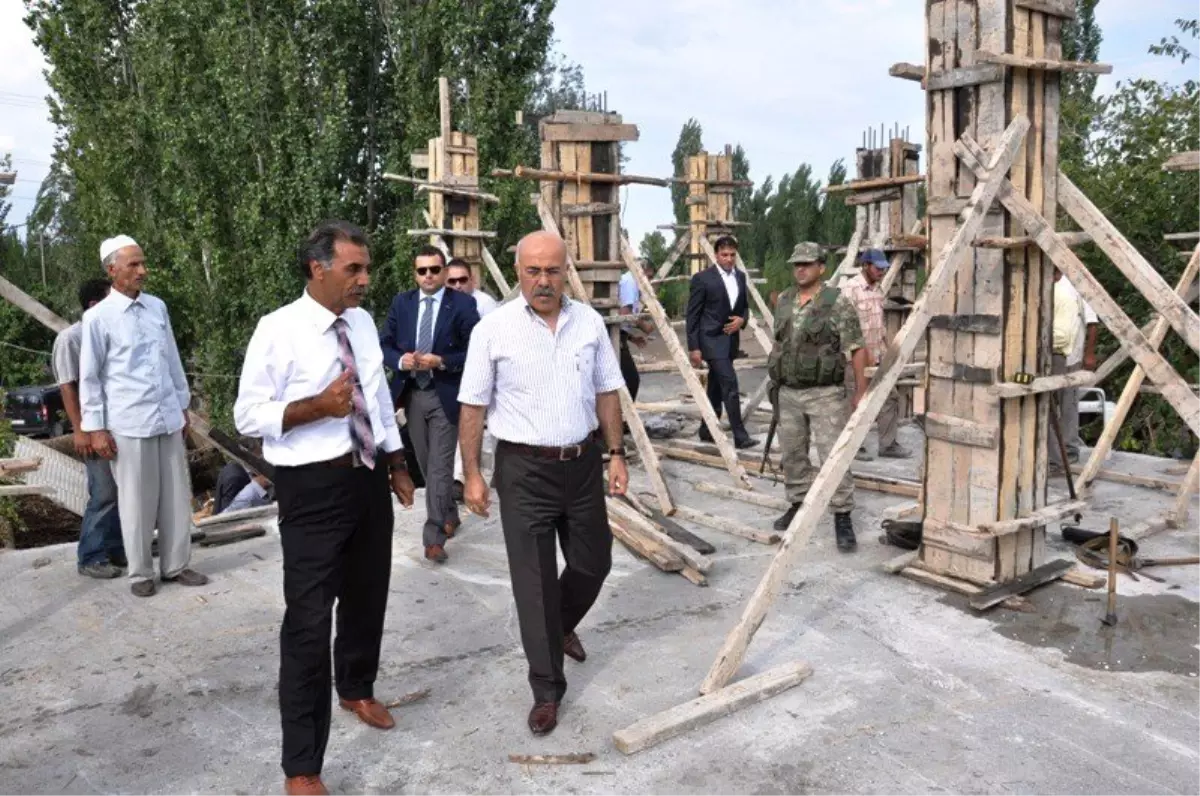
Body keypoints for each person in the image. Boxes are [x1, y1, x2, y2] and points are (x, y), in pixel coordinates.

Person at [234, 220, 416, 796]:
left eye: (366, 268)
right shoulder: (278, 330)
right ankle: (302, 766)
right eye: (353, 269)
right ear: (319, 269)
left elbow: (379, 397)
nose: (365, 279)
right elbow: (247, 416)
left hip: (366, 481)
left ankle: (356, 687)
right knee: (308, 626)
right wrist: (314, 407)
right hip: (310, 491)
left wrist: (396, 462)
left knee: (367, 597)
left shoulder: (361, 324)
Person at [458, 230, 627, 737]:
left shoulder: (589, 323)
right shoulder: (493, 330)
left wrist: (616, 454)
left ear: (566, 270)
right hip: (522, 471)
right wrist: (472, 473)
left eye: (552, 270)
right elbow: (472, 405)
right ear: (518, 272)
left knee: (594, 561)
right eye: (533, 271)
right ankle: (547, 689)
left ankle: (558, 624)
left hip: (580, 465)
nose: (543, 281)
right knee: (533, 585)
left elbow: (607, 392)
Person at [79, 235, 207, 597]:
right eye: (133, 265)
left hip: (166, 414)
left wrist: (183, 405)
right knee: (136, 500)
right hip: (128, 421)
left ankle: (176, 564)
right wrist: (96, 429)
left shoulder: (157, 308)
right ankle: (140, 573)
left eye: (142, 263)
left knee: (176, 495)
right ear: (112, 270)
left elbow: (172, 359)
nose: (142, 271)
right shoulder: (97, 318)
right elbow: (90, 377)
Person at [380, 245, 479, 563]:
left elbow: (475, 351)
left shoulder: (463, 304)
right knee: (425, 463)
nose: (428, 276)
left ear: (443, 271)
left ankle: (434, 535)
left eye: (434, 270)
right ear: (415, 273)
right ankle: (449, 512)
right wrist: (400, 360)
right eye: (422, 270)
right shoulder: (402, 303)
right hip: (412, 394)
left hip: (445, 394)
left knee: (438, 468)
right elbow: (383, 344)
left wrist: (443, 362)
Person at [768, 242, 869, 551]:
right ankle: (797, 502)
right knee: (793, 454)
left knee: (832, 455)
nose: (801, 268)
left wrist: (860, 394)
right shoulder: (784, 300)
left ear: (821, 268)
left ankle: (842, 515)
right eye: (796, 264)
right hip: (789, 393)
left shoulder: (836, 302)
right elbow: (780, 344)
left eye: (807, 264)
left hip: (826, 394)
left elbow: (856, 348)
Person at [52, 277, 126, 579]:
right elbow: (67, 386)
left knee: (122, 491)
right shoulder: (71, 339)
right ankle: (91, 555)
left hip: (120, 425)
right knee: (104, 493)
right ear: (95, 304)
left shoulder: (110, 332)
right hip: (94, 428)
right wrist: (81, 430)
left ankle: (115, 548)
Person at [686, 235, 758, 449]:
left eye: (732, 255)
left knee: (716, 386)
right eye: (724, 255)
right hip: (710, 340)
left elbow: (744, 306)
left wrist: (742, 320)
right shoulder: (702, 279)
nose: (728, 259)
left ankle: (706, 429)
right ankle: (740, 435)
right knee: (730, 385)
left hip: (730, 341)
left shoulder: (741, 277)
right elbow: (693, 315)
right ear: (716, 255)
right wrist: (694, 347)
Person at [840, 249, 909, 460]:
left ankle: (888, 444)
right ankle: (852, 448)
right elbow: (843, 328)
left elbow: (878, 326)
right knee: (855, 400)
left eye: (883, 268)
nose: (881, 272)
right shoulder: (850, 289)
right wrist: (851, 357)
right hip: (855, 358)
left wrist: (887, 352)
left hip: (877, 355)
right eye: (878, 268)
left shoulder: (877, 290)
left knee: (890, 397)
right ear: (865, 265)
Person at [1050, 268, 1099, 472]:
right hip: (1048, 353)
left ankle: (1068, 452)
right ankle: (1054, 454)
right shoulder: (1043, 283)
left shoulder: (1073, 286)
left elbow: (1092, 322)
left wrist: (1089, 353)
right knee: (1047, 405)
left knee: (1067, 404)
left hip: (1069, 355)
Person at [617, 257, 656, 402]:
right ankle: (624, 420)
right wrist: (644, 326)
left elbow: (620, 321)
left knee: (626, 380)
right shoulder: (630, 282)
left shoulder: (630, 282)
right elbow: (625, 314)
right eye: (649, 277)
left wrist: (632, 338)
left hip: (619, 335)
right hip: (615, 338)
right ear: (643, 271)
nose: (649, 282)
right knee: (631, 379)